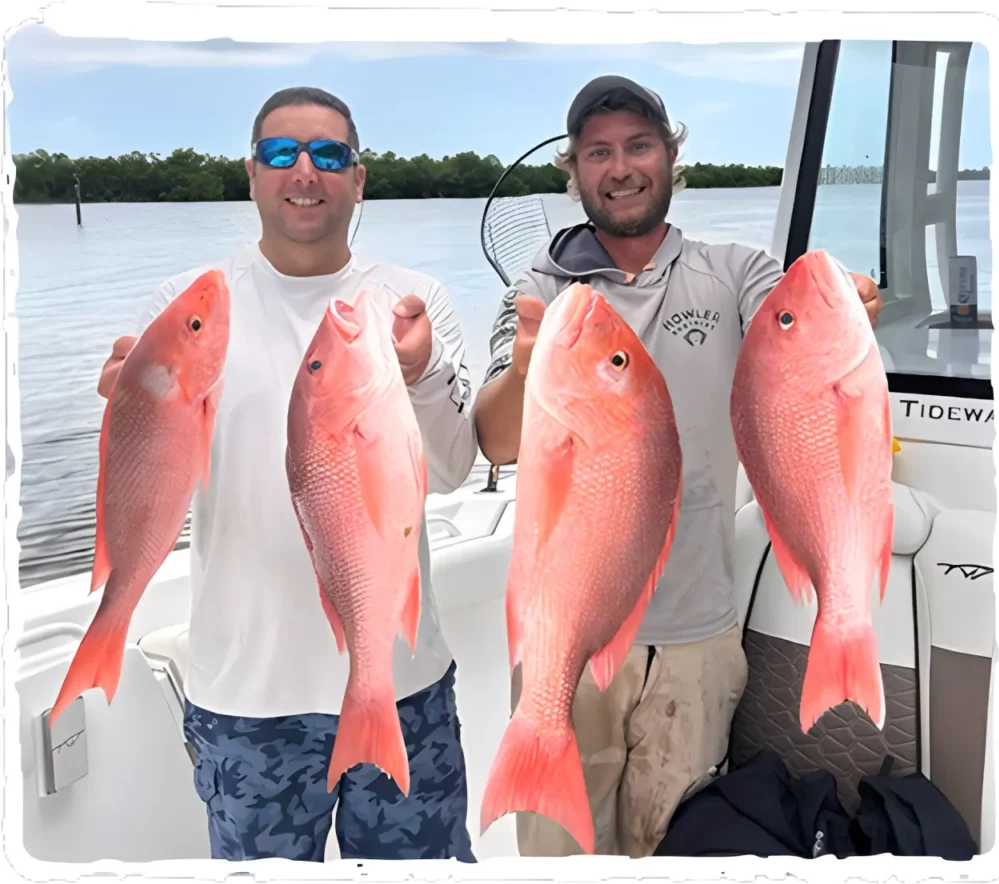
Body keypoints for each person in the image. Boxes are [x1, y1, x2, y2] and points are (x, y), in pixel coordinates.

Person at [472, 74, 883, 859]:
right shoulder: (541, 290)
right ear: (574, 170)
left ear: (670, 156)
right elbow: (496, 443)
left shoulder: (737, 271)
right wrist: (526, 370)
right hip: (569, 636)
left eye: (638, 146)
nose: (621, 167)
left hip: (698, 629)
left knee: (677, 845)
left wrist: (847, 309)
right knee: (558, 852)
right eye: (598, 152)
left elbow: (795, 339)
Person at [96, 87, 478, 863]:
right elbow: (154, 481)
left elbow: (450, 466)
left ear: (359, 179)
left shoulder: (411, 304)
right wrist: (134, 415)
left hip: (402, 684)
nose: (305, 171)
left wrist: (423, 371)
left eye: (329, 155)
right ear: (252, 173)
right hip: (247, 698)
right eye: (281, 153)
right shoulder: (189, 305)